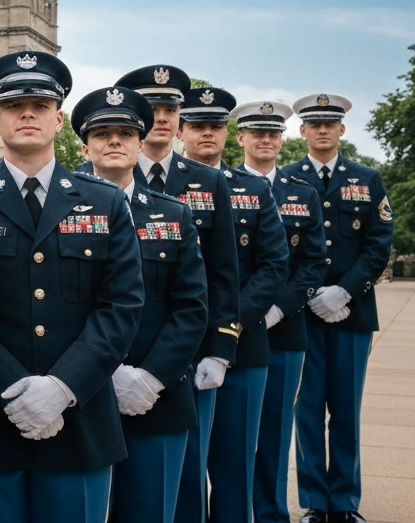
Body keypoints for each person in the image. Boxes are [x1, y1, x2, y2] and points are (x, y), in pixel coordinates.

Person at [0, 51, 143, 523]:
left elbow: (121, 306)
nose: (27, 113)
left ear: (58, 118)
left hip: (79, 422)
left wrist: (62, 387)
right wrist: (11, 388)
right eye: (14, 106)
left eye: (39, 104)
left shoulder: (105, 202)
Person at [106, 65, 240, 523]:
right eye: (153, 108)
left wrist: (221, 347)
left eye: (170, 108)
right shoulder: (88, 179)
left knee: (177, 485)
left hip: (180, 359)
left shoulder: (206, 181)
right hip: (97, 369)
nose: (161, 117)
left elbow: (222, 274)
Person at [74, 86, 207, 523]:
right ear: (84, 144)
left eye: (125, 133)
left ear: (140, 142)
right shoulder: (57, 209)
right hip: (80, 394)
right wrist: (98, 372)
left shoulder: (174, 214)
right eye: (103, 133)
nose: (114, 141)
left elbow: (191, 307)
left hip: (157, 396)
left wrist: (151, 377)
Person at [176, 88, 289, 523]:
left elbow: (274, 265)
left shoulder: (254, 188)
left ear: (228, 133)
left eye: (215, 126)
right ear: (182, 130)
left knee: (236, 463)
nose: (207, 133)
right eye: (197, 125)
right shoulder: (162, 185)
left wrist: (228, 321)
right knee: (183, 468)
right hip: (178, 348)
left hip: (242, 344)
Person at [282, 94, 393, 523]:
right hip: (302, 316)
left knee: (345, 410)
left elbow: (377, 245)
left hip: (353, 313)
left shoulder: (368, 178)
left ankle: (345, 502)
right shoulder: (287, 180)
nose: (323, 129)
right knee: (306, 410)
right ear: (303, 131)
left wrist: (344, 292)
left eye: (331, 123)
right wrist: (309, 294)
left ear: (342, 129)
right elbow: (279, 251)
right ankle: (314, 501)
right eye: (315, 123)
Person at [231, 101, 327, 523]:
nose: (266, 140)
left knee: (274, 431)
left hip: (283, 330)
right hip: (231, 327)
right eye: (257, 133)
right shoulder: (220, 185)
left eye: (273, 133)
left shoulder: (302, 193)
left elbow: (312, 262)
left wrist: (276, 309)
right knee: (228, 436)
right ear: (242, 139)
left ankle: (269, 513)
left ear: (282, 139)